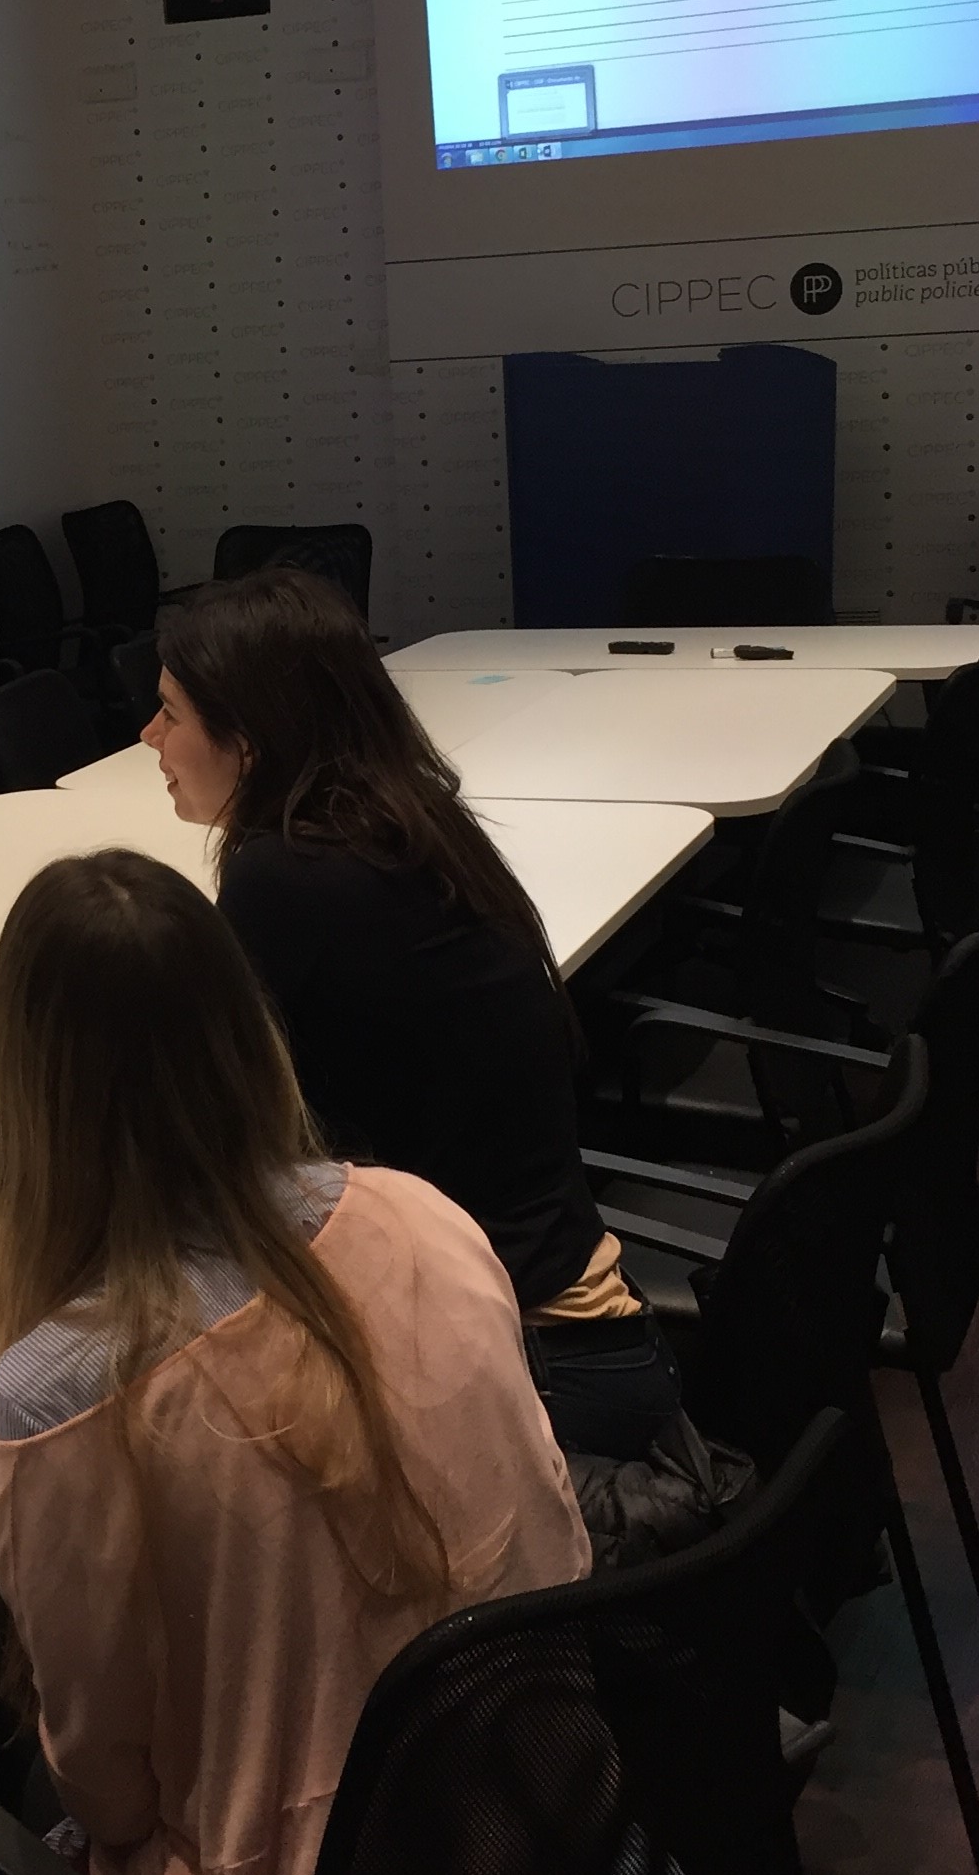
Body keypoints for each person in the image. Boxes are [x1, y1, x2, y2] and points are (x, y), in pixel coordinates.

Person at [0, 848, 589, 1875]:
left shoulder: (60, 1393)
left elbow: (110, 1790)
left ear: (27, 1098)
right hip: (544, 1809)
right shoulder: (423, 1212)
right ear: (246, 1026)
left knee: (7, 1778)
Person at [145, 566, 685, 1464]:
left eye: (171, 712)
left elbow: (195, 1129)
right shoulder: (407, 820)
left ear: (246, 740)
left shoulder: (285, 877)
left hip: (525, 1377)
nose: (149, 735)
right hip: (579, 1328)